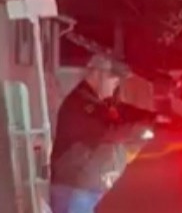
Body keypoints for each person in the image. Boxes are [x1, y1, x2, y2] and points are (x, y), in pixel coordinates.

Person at [49, 54, 161, 213]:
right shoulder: (79, 104)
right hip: (75, 190)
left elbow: (123, 111)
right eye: (113, 78)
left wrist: (155, 118)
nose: (116, 84)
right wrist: (144, 127)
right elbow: (109, 130)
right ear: (96, 73)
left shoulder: (100, 102)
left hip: (89, 190)